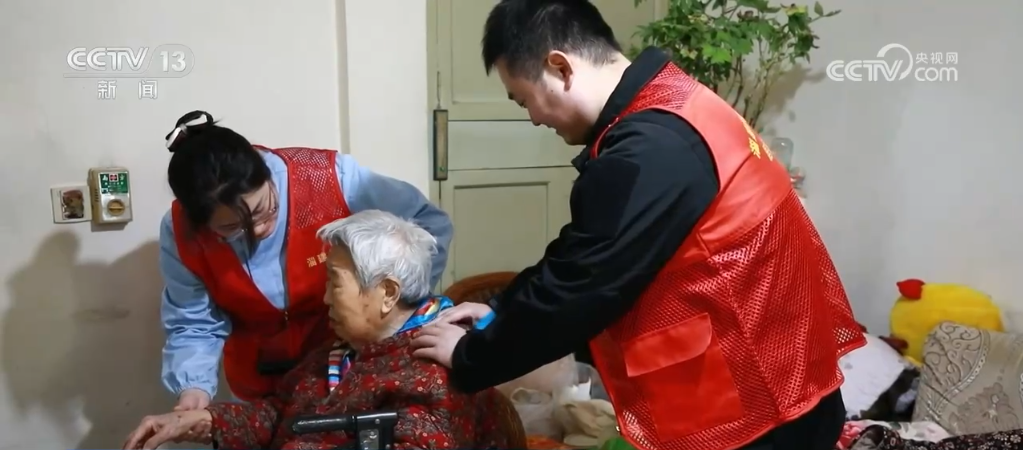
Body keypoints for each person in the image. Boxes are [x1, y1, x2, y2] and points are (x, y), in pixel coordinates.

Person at [410, 1, 866, 450]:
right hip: (788, 377)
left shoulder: (648, 149)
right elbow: (584, 250)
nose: (533, 118)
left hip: (759, 410)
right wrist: (502, 307)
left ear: (560, 68)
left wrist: (469, 357)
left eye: (525, 99)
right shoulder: (680, 102)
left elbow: (579, 290)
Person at [124, 210, 518, 450]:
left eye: (334, 282)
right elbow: (279, 415)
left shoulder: (434, 368)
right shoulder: (343, 350)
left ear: (386, 293)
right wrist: (200, 421)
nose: (325, 298)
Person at [159, 110, 453, 413]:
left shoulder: (329, 178)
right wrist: (193, 390)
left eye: (263, 209)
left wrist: (397, 310)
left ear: (266, 173)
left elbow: (428, 224)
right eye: (233, 228)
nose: (257, 230)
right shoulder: (181, 232)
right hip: (257, 382)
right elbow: (193, 322)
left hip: (343, 371)